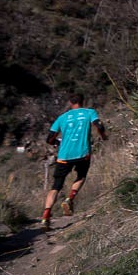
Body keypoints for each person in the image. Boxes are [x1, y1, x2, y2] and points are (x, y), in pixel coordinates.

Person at [40, 93, 107, 230]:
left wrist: (58, 143)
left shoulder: (62, 118)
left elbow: (50, 139)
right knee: (81, 176)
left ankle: (45, 216)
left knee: (56, 186)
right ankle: (69, 199)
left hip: (64, 156)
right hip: (82, 153)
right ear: (83, 101)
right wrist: (104, 136)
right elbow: (99, 125)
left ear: (70, 102)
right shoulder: (89, 112)